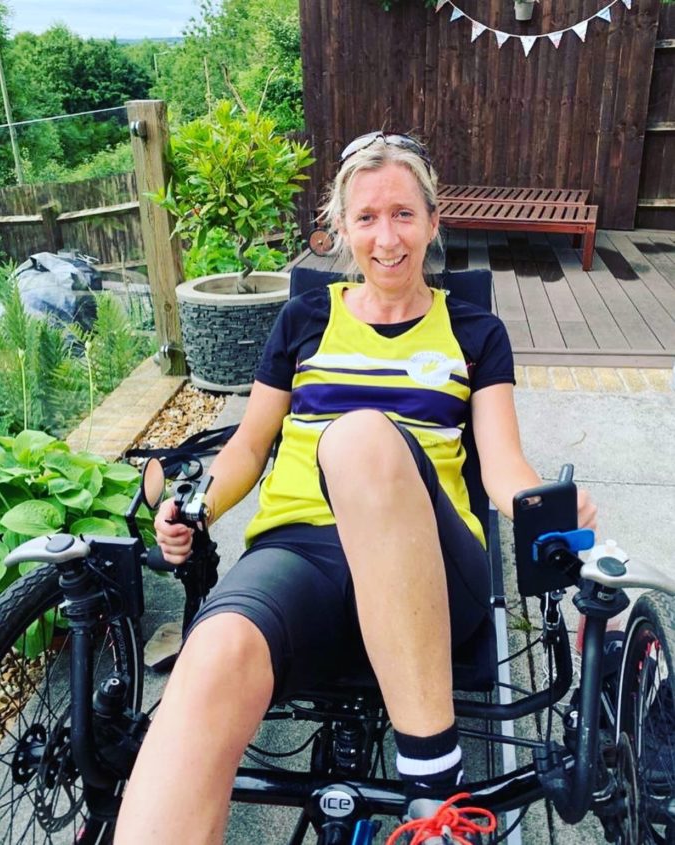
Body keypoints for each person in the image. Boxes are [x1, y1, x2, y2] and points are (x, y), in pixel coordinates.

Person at [114, 132, 597, 844]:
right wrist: (199, 505)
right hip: (300, 556)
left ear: (433, 222)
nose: (387, 237)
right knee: (209, 658)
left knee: (360, 438)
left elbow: (501, 465)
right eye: (366, 217)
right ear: (340, 227)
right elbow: (249, 444)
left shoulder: (475, 331)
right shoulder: (304, 319)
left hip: (431, 562)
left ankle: (435, 794)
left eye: (403, 214)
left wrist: (545, 507)